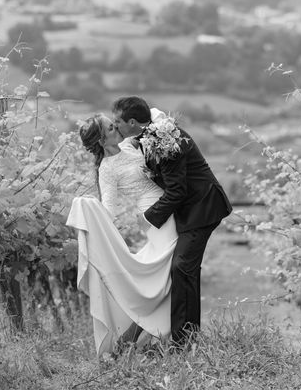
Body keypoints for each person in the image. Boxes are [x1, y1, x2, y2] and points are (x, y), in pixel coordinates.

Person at [112, 96, 232, 348]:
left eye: (118, 122)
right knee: (182, 269)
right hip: (189, 208)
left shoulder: (164, 140)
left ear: (132, 122)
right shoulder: (149, 135)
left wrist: (147, 218)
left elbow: (177, 191)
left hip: (203, 207)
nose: (116, 126)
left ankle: (183, 343)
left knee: (182, 268)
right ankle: (184, 339)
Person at [66, 113, 178, 357]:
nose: (116, 127)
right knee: (165, 275)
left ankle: (137, 338)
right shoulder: (107, 169)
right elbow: (108, 211)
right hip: (155, 217)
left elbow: (155, 115)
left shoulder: (130, 144)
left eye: (113, 123)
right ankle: (134, 338)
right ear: (101, 141)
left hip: (167, 207)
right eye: (109, 127)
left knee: (167, 276)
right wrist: (89, 209)